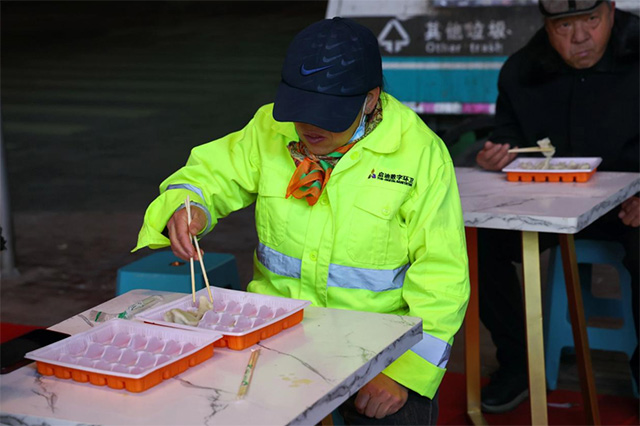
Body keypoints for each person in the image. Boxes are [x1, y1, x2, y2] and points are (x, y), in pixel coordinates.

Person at [135, 17, 470, 425]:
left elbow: (442, 276)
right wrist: (189, 206)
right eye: (299, 110)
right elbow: (208, 175)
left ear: (369, 100)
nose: (308, 127)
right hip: (275, 336)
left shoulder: (420, 154)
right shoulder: (269, 128)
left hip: (380, 351)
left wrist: (403, 374)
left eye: (327, 114)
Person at [475, 0, 639, 414]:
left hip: (631, 207)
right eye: (565, 26)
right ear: (547, 26)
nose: (580, 37)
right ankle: (518, 362)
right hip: (552, 202)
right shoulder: (523, 69)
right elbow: (507, 138)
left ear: (612, 11)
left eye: (591, 20)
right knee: (480, 241)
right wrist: (496, 155)